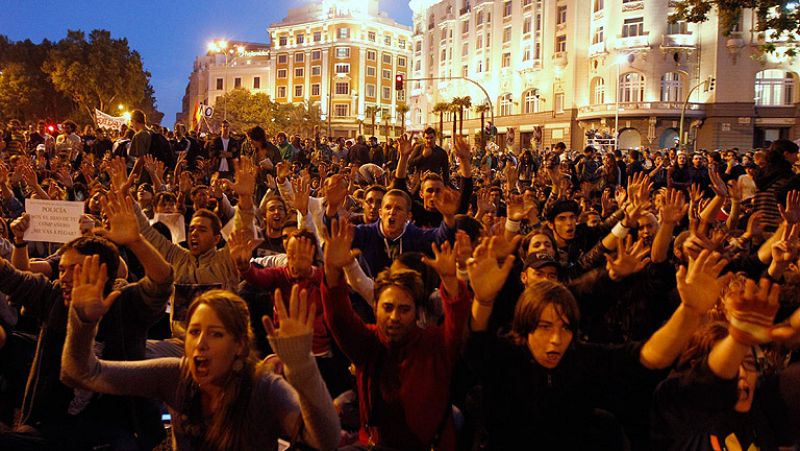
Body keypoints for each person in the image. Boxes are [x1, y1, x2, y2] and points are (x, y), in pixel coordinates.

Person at [466, 244, 733, 450]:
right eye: (545, 327)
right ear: (525, 325)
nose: (557, 339)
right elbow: (476, 346)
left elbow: (650, 356)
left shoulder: (582, 358)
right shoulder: (503, 356)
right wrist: (483, 301)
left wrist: (690, 311)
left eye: (566, 328)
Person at [60, 260, 341, 451]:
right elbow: (81, 373)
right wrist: (82, 323)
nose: (200, 344)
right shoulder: (175, 374)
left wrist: (303, 366)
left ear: (240, 346)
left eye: (216, 334)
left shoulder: (263, 387)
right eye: (194, 332)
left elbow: (325, 440)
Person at [0, 189, 174, 450]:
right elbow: (12, 277)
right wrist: (19, 240)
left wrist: (136, 241)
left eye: (77, 269)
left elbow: (162, 282)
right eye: (62, 270)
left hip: (116, 428)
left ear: (104, 272)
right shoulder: (54, 296)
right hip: (51, 425)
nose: (66, 277)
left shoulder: (125, 301)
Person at [321, 217, 471, 450]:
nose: (394, 317)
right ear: (375, 307)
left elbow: (457, 322)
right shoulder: (367, 342)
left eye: (404, 309)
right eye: (388, 308)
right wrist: (332, 271)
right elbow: (339, 319)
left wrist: (452, 281)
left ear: (416, 311)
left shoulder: (435, 344)